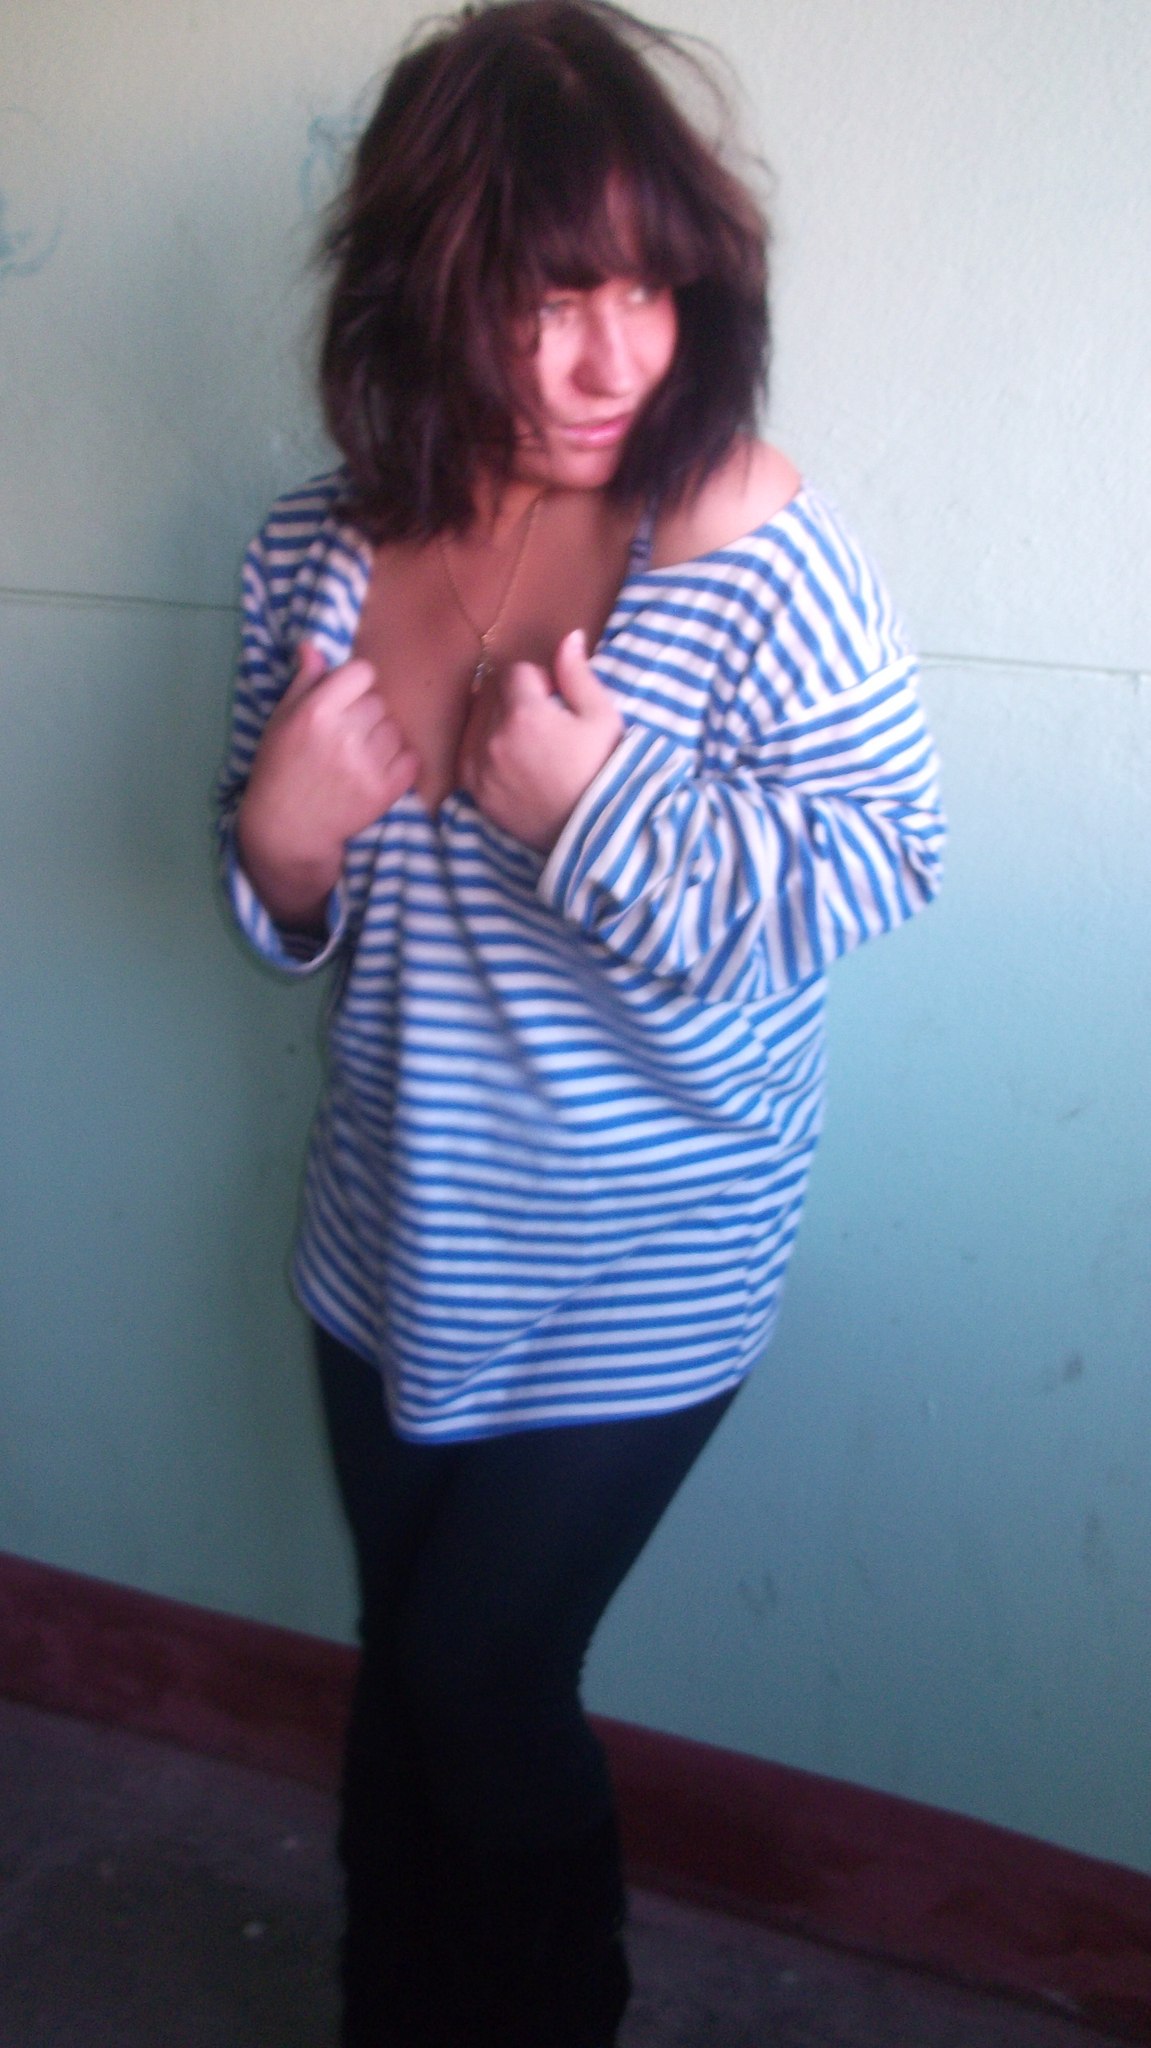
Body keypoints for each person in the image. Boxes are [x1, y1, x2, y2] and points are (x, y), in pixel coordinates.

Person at [217, 2, 945, 2041]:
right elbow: (293, 913)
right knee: (409, 1665)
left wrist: (593, 806)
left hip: (645, 1256)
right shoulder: (311, 556)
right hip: (389, 1241)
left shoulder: (746, 541)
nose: (612, 358)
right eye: (547, 298)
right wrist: (278, 848)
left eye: (648, 290)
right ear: (420, 291)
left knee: (479, 1682)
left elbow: (879, 864)